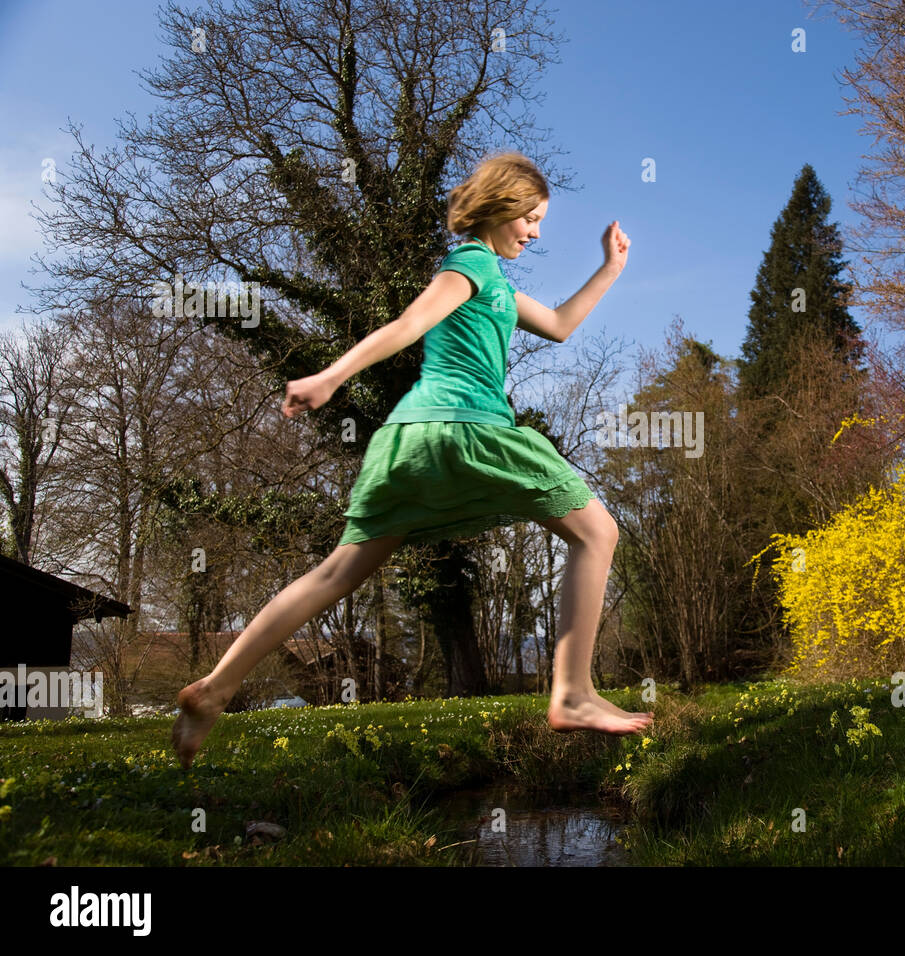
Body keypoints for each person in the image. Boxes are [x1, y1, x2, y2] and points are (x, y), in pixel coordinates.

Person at [172, 151, 652, 769]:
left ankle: (214, 690)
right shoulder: (470, 262)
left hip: (407, 443)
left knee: (335, 575)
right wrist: (332, 376)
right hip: (464, 430)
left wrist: (610, 268)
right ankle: (574, 692)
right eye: (529, 218)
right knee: (597, 531)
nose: (534, 232)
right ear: (501, 208)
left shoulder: (497, 283)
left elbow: (559, 324)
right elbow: (409, 322)